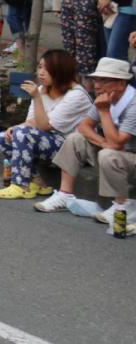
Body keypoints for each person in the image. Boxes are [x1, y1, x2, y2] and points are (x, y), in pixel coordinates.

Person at [33, 58, 136, 223]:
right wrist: (103, 143)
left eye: (104, 80)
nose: (96, 85)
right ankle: (64, 195)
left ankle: (121, 206)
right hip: (117, 153)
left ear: (121, 84)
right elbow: (84, 126)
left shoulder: (133, 103)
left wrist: (104, 113)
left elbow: (117, 144)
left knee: (109, 154)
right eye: (95, 79)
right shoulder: (104, 97)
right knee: (75, 139)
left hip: (131, 156)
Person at [0, 50, 93, 200]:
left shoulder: (77, 95)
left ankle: (21, 186)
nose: (41, 72)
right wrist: (15, 127)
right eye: (40, 67)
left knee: (22, 134)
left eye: (47, 69)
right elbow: (32, 121)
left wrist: (36, 98)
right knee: (4, 137)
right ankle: (37, 182)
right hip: (48, 142)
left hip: (71, 149)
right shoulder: (42, 89)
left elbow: (46, 126)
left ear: (61, 71)